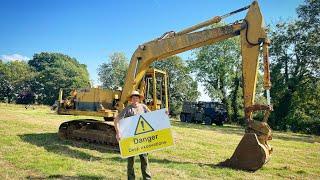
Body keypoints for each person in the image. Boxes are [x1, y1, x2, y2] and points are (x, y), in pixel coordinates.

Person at [114, 90, 152, 180]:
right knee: (130, 161)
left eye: (137, 97)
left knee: (144, 159)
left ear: (139, 99)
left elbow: (153, 116)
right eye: (133, 97)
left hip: (142, 138)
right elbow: (116, 120)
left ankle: (147, 178)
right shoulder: (128, 109)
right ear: (131, 99)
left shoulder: (144, 107)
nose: (135, 99)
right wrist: (118, 132)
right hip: (130, 138)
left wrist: (164, 114)